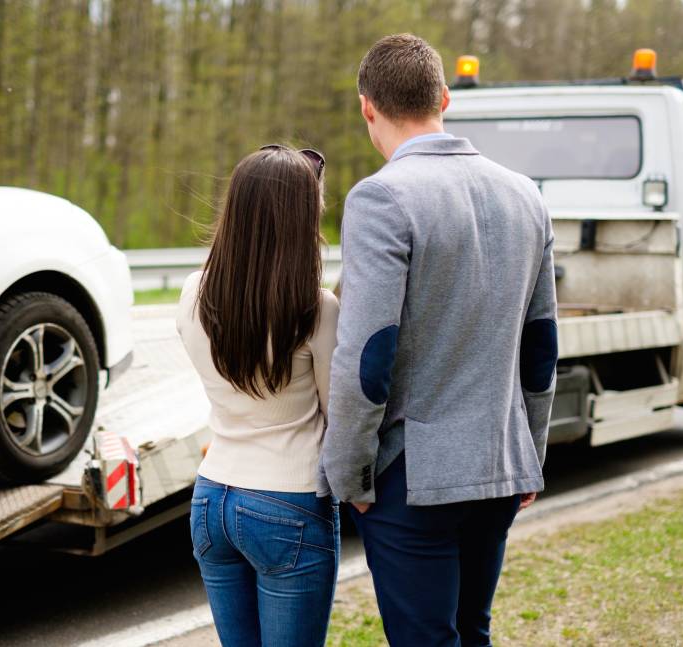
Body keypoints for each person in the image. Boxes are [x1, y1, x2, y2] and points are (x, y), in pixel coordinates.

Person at [319, 34, 557, 646]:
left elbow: (368, 355)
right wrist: (530, 450)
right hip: (499, 466)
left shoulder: (382, 197)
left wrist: (348, 474)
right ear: (444, 97)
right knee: (471, 631)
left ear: (367, 107)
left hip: (412, 478)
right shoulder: (526, 194)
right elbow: (541, 345)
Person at [178, 145, 340, 647]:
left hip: (211, 499)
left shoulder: (193, 292)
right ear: (301, 219)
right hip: (287, 501)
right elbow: (340, 414)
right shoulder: (316, 308)